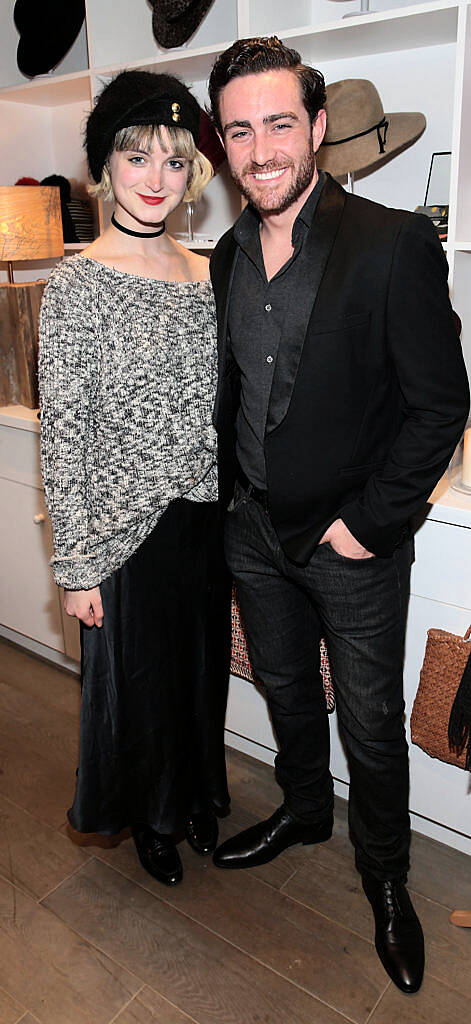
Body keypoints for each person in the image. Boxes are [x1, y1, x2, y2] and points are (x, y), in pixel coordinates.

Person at [206, 36, 470, 993]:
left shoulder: (390, 242)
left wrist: (370, 525)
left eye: (280, 122)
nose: (262, 146)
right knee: (283, 688)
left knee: (367, 720)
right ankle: (304, 811)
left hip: (350, 545)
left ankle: (387, 880)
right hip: (253, 531)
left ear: (315, 127)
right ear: (222, 144)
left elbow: (441, 403)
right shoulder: (224, 254)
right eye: (240, 129)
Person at [39, 70, 231, 888]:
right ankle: (151, 817)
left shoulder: (209, 275)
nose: (156, 178)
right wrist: (77, 566)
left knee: (198, 677)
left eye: (174, 161)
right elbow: (65, 437)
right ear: (105, 167)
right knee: (140, 689)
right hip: (124, 534)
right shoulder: (75, 285)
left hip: (204, 522)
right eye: (136, 157)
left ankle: (193, 797)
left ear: (193, 174)